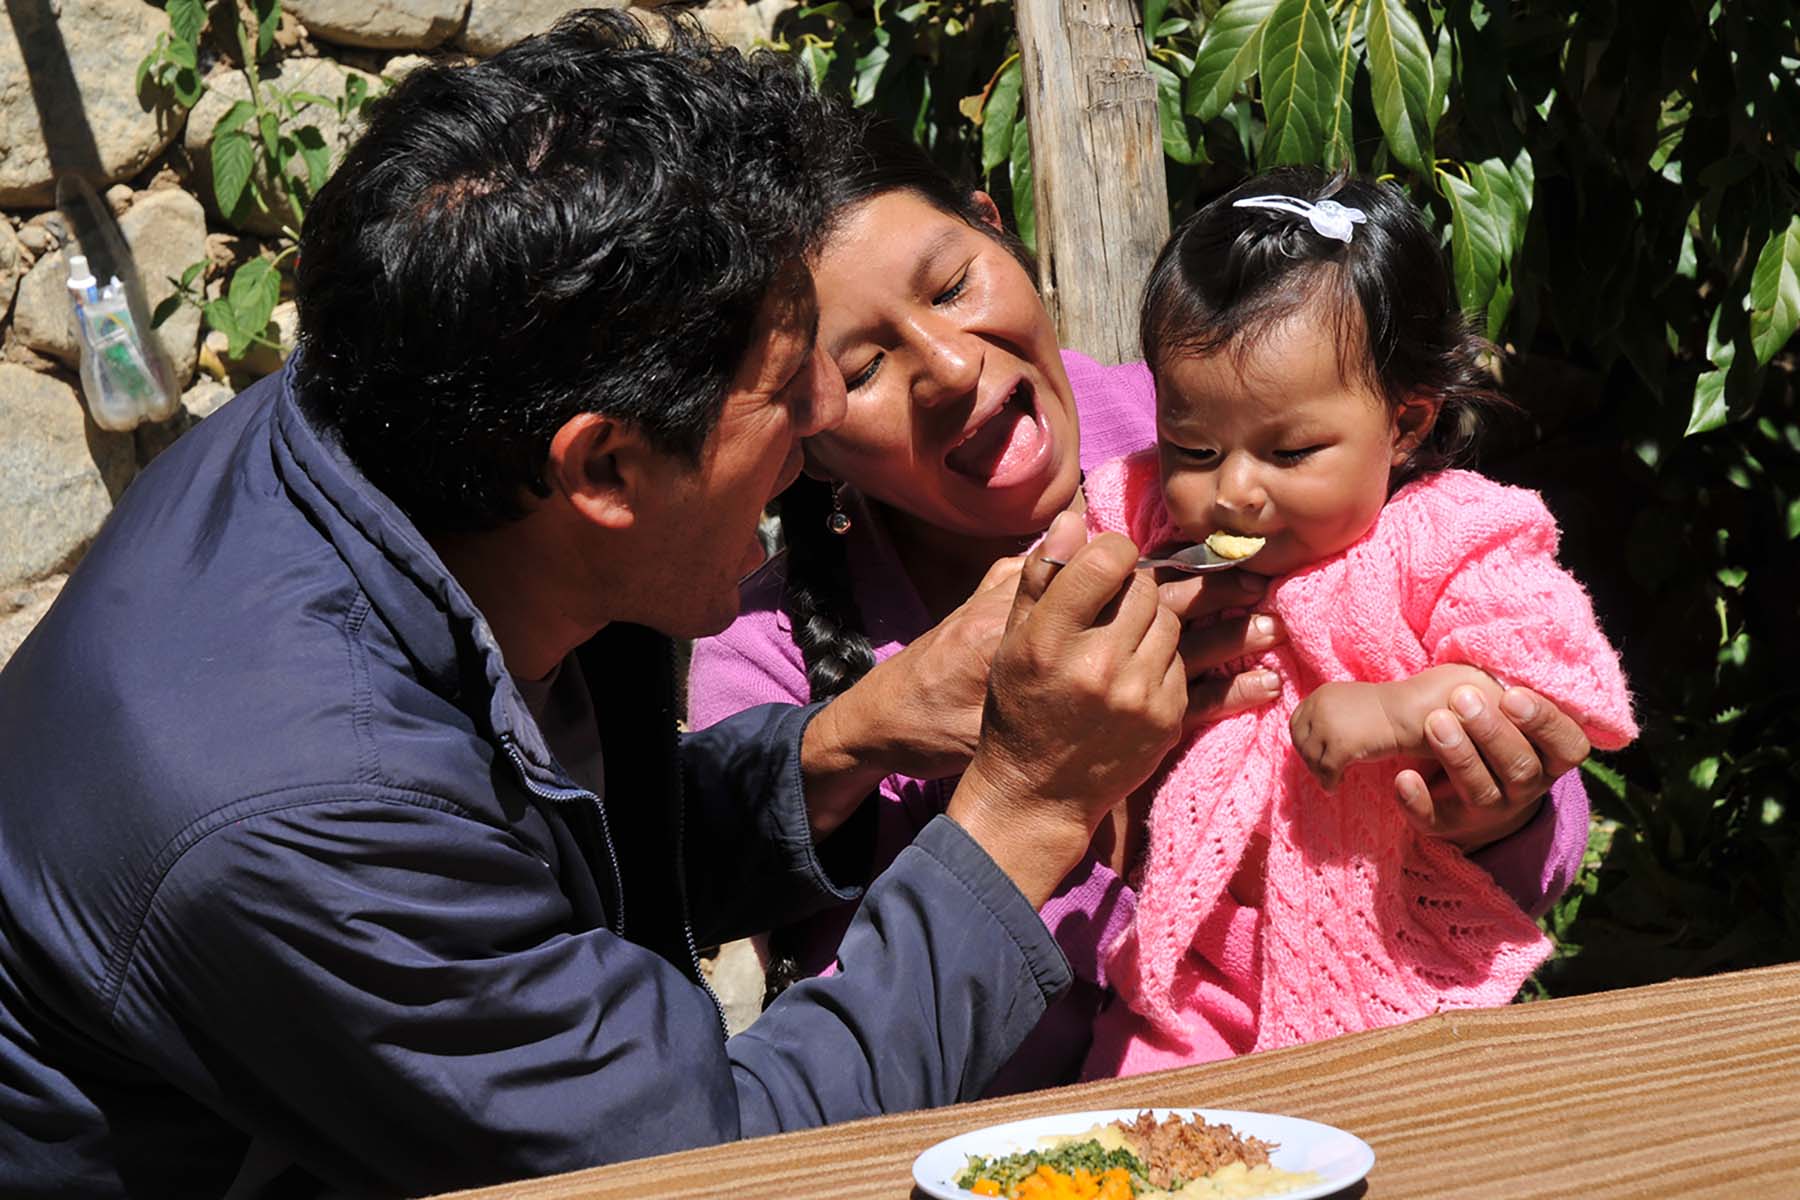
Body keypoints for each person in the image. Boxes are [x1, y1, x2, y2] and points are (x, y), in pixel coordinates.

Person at [0, 16, 1188, 1197]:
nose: (831, 409)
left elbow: (539, 844)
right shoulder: (301, 815)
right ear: (606, 471)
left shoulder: (425, 411)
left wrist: (849, 737)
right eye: (788, 385)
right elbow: (716, 1168)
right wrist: (1027, 806)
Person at [686, 112, 1603, 1088]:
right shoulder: (762, 649)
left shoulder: (1221, 411)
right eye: (862, 367)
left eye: (953, 285)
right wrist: (916, 747)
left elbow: (1512, 771)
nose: (950, 367)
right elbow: (809, 1004)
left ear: (999, 228)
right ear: (801, 426)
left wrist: (1494, 811)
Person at [1080, 168, 1637, 1077]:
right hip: (1197, 972)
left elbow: (1553, 682)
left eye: (1290, 451)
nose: (1232, 490)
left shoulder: (1446, 539)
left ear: (1406, 422)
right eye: (1194, 447)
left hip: (1389, 961)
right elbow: (1069, 571)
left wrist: (1394, 710)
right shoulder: (1149, 513)